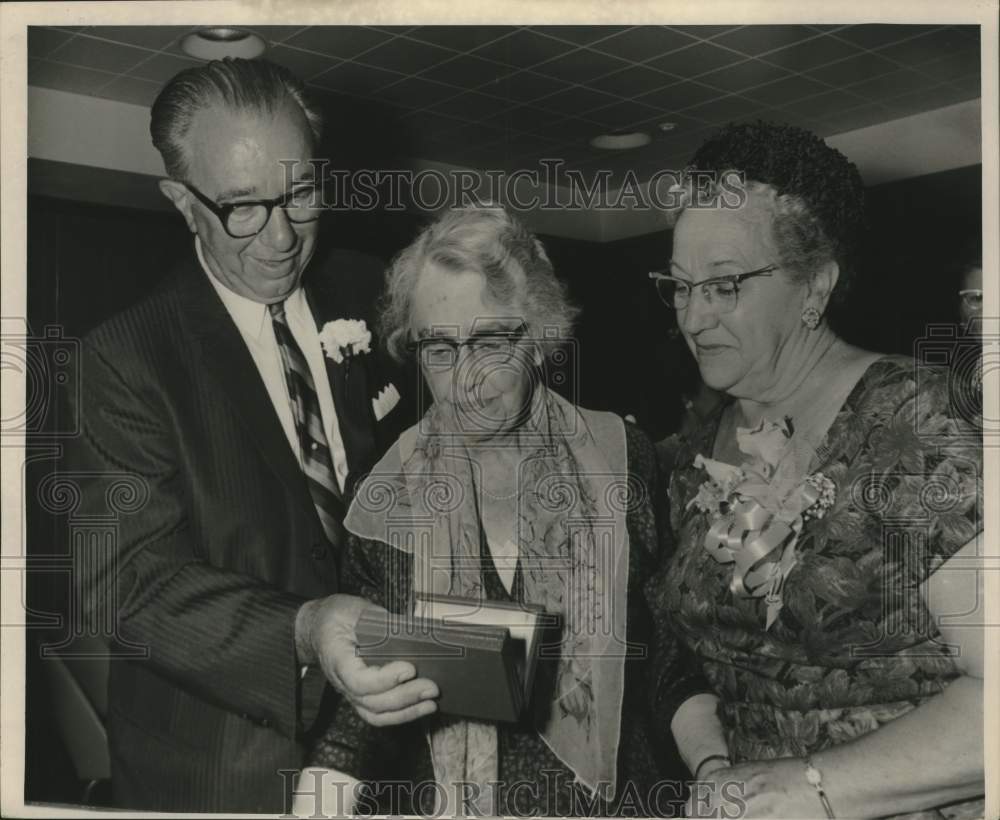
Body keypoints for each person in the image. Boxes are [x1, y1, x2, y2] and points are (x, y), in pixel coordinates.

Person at [65, 58, 433, 812]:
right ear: (181, 201)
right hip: (217, 775)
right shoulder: (125, 357)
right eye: (242, 207)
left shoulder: (374, 290)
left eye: (301, 193)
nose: (281, 237)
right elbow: (127, 583)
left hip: (394, 754)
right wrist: (304, 628)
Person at [295, 205, 701, 817]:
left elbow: (670, 657)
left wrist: (719, 768)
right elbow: (362, 709)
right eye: (439, 349)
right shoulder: (384, 499)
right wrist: (313, 803)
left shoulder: (622, 459)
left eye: (488, 341)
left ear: (536, 336)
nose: (465, 380)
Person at [645, 121, 985, 818]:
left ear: (815, 287)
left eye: (724, 284)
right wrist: (716, 767)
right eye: (678, 287)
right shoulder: (696, 451)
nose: (694, 316)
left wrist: (812, 785)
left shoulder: (915, 423)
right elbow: (682, 654)